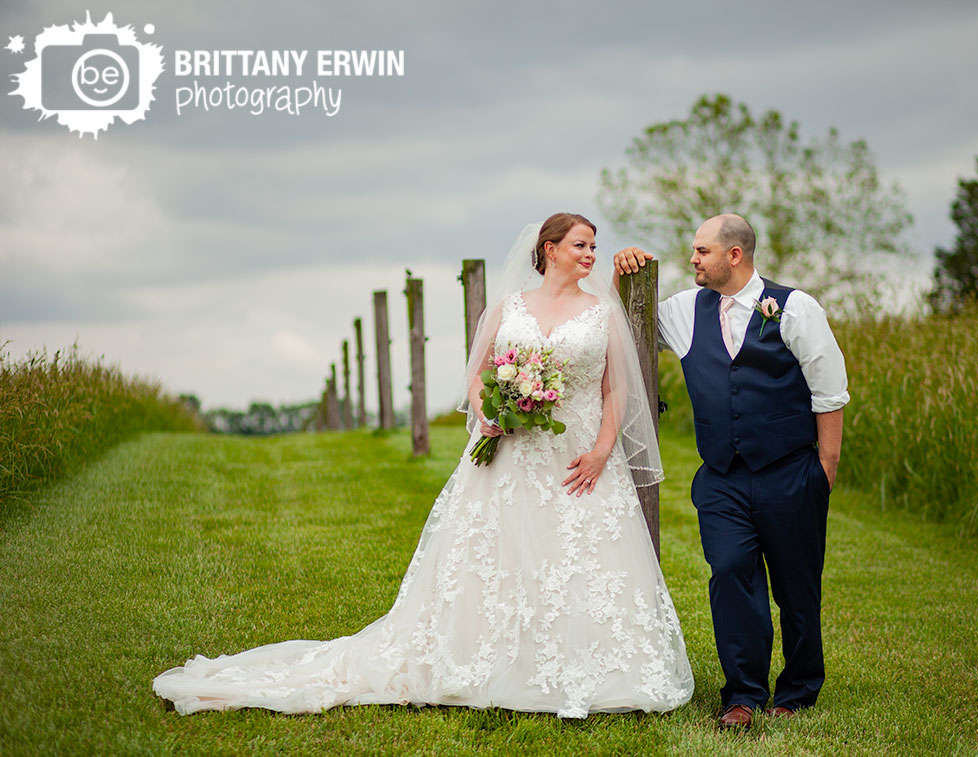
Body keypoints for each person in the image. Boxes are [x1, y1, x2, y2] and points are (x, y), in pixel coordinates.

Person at [153, 213, 694, 719]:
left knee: (581, 559)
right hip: (509, 453)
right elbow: (480, 377)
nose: (590, 255)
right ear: (548, 250)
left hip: (577, 455)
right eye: (580, 246)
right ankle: (487, 657)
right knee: (497, 554)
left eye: (595, 248)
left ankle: (585, 663)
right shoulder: (509, 309)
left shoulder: (602, 312)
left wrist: (603, 449)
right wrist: (488, 415)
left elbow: (614, 386)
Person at [613, 213, 848, 729]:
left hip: (791, 471)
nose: (692, 259)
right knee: (730, 575)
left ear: (734, 255)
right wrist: (622, 275)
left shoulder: (794, 308)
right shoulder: (680, 310)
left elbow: (830, 393)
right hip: (720, 476)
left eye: (701, 251)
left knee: (796, 586)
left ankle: (800, 688)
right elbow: (622, 326)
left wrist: (823, 469)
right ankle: (743, 694)